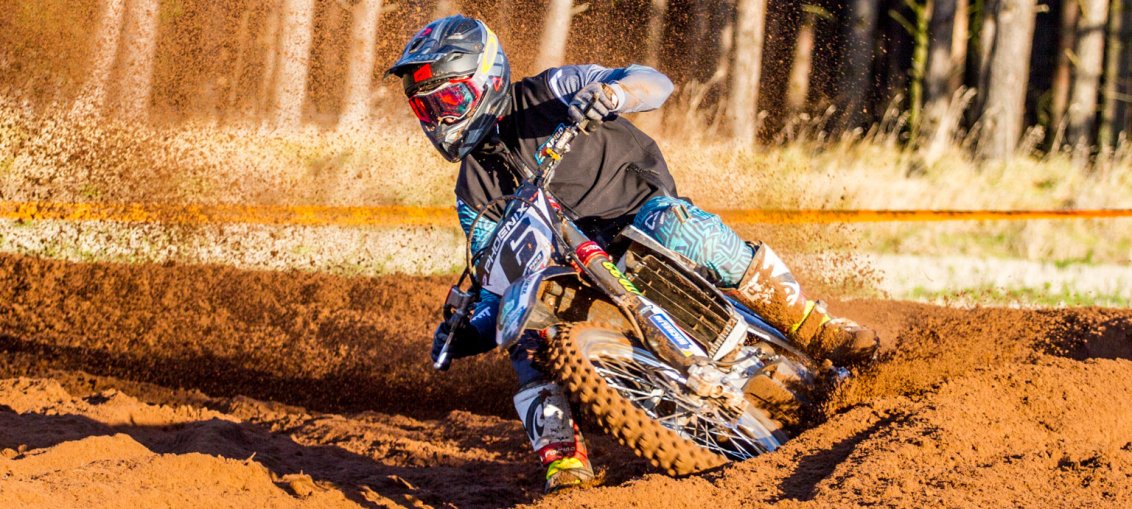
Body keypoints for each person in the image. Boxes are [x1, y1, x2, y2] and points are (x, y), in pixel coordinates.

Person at [385, 14, 878, 493]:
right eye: (427, 109)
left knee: (681, 228)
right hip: (571, 272)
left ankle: (814, 326)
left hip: (638, 219)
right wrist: (468, 329)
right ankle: (565, 463)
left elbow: (654, 82)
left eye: (448, 99)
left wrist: (613, 94)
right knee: (526, 329)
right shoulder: (472, 193)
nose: (441, 119)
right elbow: (496, 280)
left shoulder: (550, 91)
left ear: (488, 79)